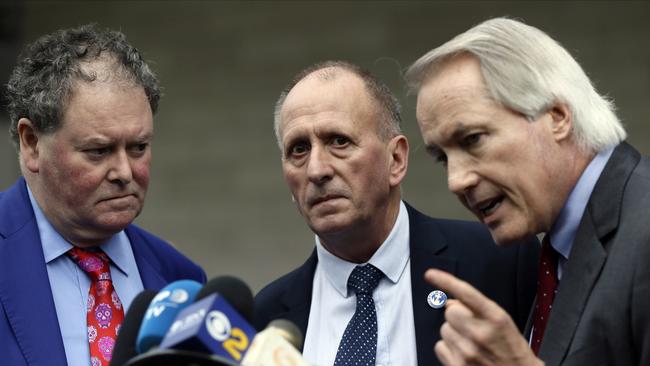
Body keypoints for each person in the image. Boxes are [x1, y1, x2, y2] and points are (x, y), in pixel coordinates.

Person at [253, 60, 539, 366]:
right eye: (298, 149)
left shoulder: (498, 261)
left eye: (339, 141)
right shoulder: (265, 318)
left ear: (396, 159)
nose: (317, 169)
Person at [406, 17, 650, 366]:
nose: (456, 181)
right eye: (443, 158)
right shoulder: (556, 253)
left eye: (473, 140)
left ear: (557, 116)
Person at [0, 25, 206, 366]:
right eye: (99, 151)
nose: (125, 172)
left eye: (138, 147)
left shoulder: (181, 280)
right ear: (32, 143)